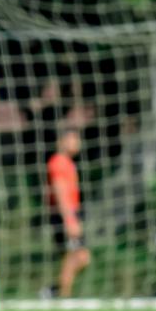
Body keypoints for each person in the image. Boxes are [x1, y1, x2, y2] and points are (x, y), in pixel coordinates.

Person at [47, 128, 89, 298]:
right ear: (62, 141)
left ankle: (54, 292)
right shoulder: (58, 162)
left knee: (79, 257)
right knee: (76, 256)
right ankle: (62, 295)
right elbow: (60, 191)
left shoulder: (68, 163)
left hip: (70, 213)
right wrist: (69, 219)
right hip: (64, 215)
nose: (77, 142)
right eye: (73, 138)